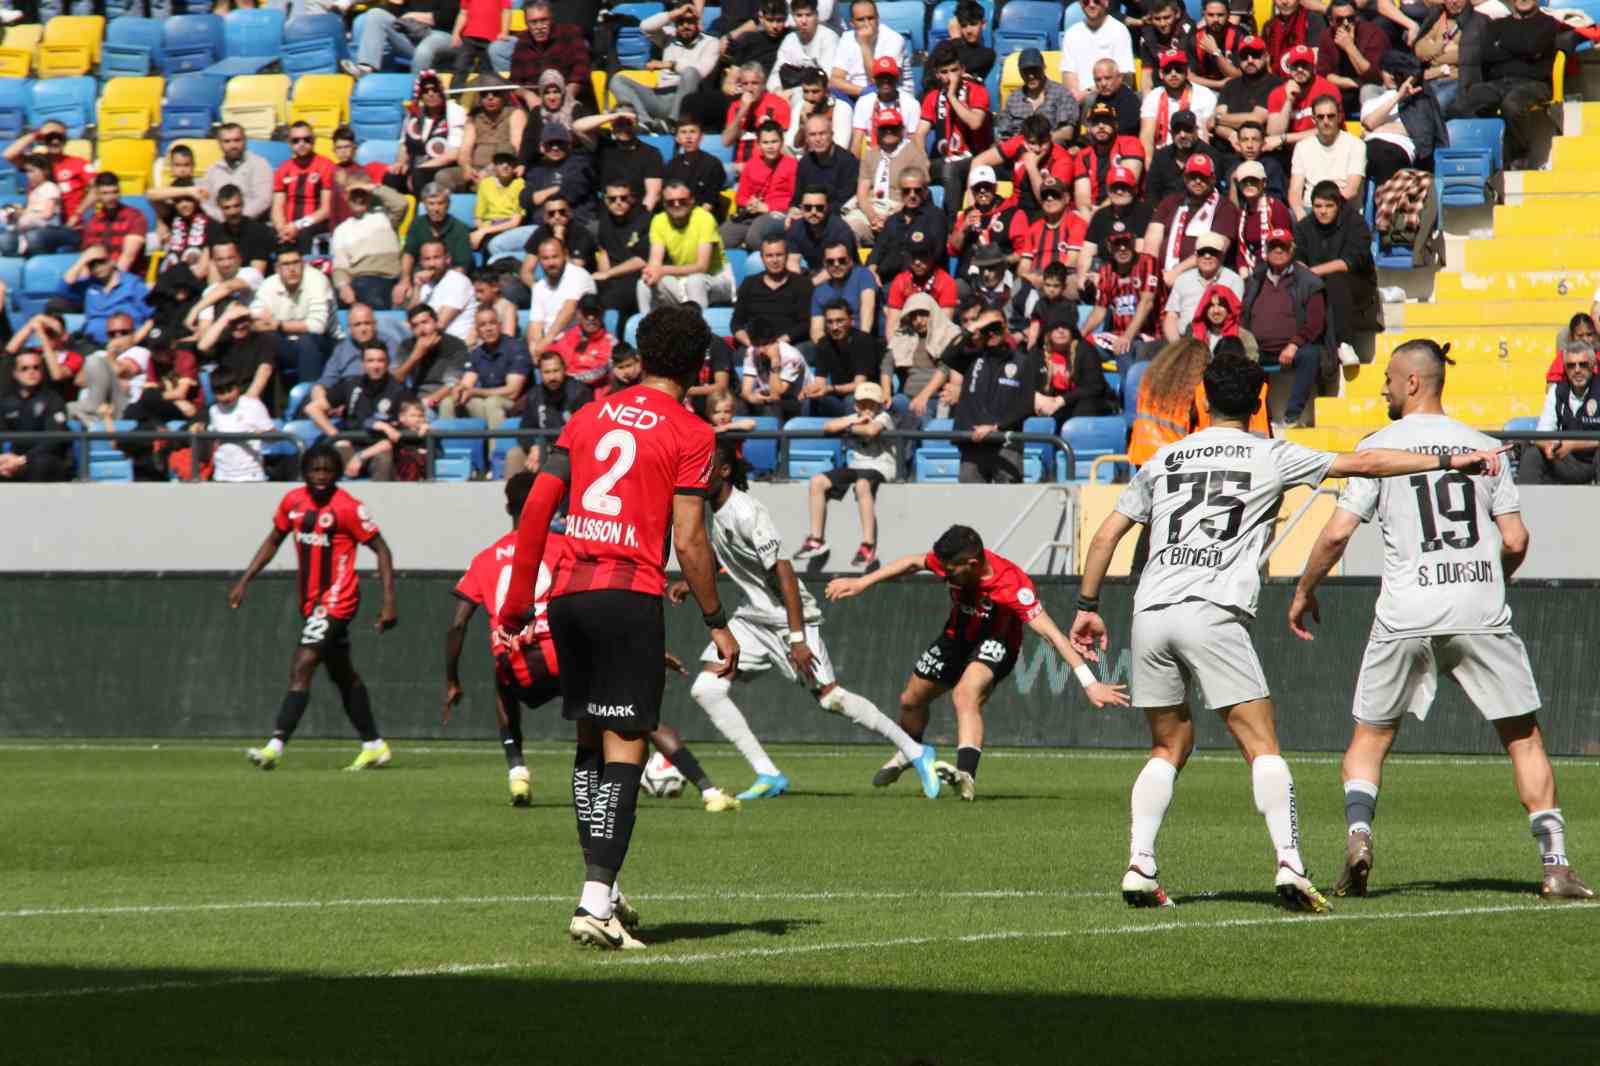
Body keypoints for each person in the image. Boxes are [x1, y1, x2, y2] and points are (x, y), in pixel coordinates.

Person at [1072, 351, 1511, 910]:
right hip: (1213, 610)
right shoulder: (1271, 454)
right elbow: (1366, 464)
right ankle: (1289, 865)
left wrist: (1088, 604)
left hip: (1151, 611)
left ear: (1202, 400)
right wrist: (1452, 459)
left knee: (1169, 744)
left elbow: (1108, 533)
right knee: (1262, 746)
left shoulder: (1163, 461)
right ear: (1260, 401)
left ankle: (1139, 864)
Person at [1288, 339, 1592, 903]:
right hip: (1478, 605)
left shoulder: (1377, 447)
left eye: (1386, 377)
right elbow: (1516, 539)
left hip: (1406, 610)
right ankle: (1556, 865)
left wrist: (1304, 590)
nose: (1380, 386)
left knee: (1371, 737)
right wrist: (1490, 575)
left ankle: (1359, 836)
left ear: (1411, 383)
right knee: (1522, 736)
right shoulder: (1485, 447)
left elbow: (1335, 533)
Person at [491, 305, 739, 951]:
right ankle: (594, 900)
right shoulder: (692, 433)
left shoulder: (589, 411)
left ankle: (606, 889)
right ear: (698, 365)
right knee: (627, 745)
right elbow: (688, 540)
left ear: (643, 352)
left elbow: (540, 505)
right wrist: (716, 623)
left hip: (569, 593)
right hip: (628, 594)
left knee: (588, 743)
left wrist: (519, 600)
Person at [449, 473, 741, 811]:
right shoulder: (565, 546)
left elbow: (457, 625)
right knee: (631, 714)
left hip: (519, 666)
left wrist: (452, 679)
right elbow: (594, 602)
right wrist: (641, 650)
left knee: (502, 684)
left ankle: (517, 770)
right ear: (550, 505)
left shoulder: (485, 557)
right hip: (565, 651)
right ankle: (708, 791)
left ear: (508, 506)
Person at [666, 436, 932, 802]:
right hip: (751, 618)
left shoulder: (747, 512)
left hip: (789, 619)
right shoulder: (716, 510)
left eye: (705, 467)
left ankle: (917, 752)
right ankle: (768, 774)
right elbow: (727, 555)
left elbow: (785, 573)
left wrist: (797, 638)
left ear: (725, 471)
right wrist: (690, 582)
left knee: (831, 699)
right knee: (706, 689)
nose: (697, 475)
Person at [827, 524, 1127, 801]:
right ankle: (912, 750)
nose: (944, 575)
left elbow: (1052, 635)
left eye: (951, 570)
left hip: (997, 643)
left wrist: (1090, 683)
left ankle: (966, 776)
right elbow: (912, 563)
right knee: (910, 701)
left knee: (965, 695)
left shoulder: (1011, 584)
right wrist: (862, 582)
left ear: (971, 564)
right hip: (955, 638)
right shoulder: (950, 563)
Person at [228, 444, 398, 772]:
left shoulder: (349, 507)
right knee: (342, 674)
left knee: (303, 663)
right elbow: (274, 539)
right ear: (304, 473)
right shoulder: (292, 502)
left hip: (338, 598)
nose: (321, 477)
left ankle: (274, 747)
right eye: (314, 471)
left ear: (337, 474)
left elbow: (382, 549)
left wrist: (389, 600)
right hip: (310, 601)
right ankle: (374, 745)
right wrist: (245, 579)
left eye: (328, 471)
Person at [1447, 0, 1574, 168]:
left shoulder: (1547, 23)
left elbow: (1533, 48)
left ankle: (1519, 154)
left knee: (1512, 105)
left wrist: (1503, 45)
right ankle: (1482, 155)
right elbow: (1487, 54)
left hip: (1534, 83)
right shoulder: (1497, 24)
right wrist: (1522, 49)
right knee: (1461, 104)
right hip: (1499, 82)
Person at [795, 380, 896, 566]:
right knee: (817, 481)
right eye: (863, 404)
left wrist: (850, 427)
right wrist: (854, 420)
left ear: (879, 404)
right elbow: (828, 426)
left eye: (872, 404)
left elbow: (872, 430)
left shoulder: (883, 417)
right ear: (856, 404)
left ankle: (867, 545)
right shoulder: (854, 416)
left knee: (862, 485)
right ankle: (816, 540)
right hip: (856, 466)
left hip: (880, 467)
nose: (867, 408)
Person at [1241, 226, 1329, 426]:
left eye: (1283, 247)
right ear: (1266, 251)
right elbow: (1242, 315)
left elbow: (1315, 323)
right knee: (1235, 356)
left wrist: (1294, 344)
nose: (1278, 251)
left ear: (1292, 250)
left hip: (1292, 348)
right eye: (1273, 247)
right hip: (1257, 348)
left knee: (1311, 354)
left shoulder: (1308, 281)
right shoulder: (1255, 280)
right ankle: (1258, 416)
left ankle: (1293, 414)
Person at [1294, 181, 1378, 362]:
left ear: (1338, 205)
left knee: (1335, 279)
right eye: (1317, 206)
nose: (1322, 211)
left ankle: (1344, 344)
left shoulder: (1355, 222)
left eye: (1328, 206)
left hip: (1357, 286)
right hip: (1316, 285)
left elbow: (1351, 262)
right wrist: (1305, 273)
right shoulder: (1304, 227)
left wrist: (1312, 272)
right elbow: (1297, 257)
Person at [306, 343, 414, 479]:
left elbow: (398, 435)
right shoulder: (350, 385)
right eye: (370, 361)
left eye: (380, 360)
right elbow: (312, 409)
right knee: (325, 456)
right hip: (349, 445)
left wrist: (360, 457)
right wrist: (336, 435)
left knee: (384, 458)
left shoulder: (399, 391)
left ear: (387, 363)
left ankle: (380, 499)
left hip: (380, 447)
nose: (375, 366)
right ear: (363, 364)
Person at [919, 41, 993, 225]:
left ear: (962, 69)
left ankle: (953, 224)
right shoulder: (933, 97)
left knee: (950, 169)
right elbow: (919, 133)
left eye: (953, 70)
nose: (950, 77)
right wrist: (922, 159)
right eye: (944, 72)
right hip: (946, 158)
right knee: (911, 170)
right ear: (937, 74)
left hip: (975, 157)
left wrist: (952, 97)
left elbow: (975, 122)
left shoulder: (977, 91)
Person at [637, 180, 736, 315]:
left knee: (695, 280)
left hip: (717, 279)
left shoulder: (704, 218)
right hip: (682, 280)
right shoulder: (658, 220)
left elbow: (702, 267)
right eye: (671, 202)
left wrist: (662, 269)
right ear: (664, 204)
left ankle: (699, 332)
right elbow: (655, 261)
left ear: (691, 201)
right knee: (644, 284)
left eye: (682, 200)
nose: (676, 204)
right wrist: (651, 273)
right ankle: (648, 331)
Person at [1081, 222, 1161, 377]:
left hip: (1147, 336)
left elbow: (1147, 303)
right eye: (1117, 244)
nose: (1123, 248)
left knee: (1125, 350)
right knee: (1081, 348)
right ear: (1110, 247)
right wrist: (1077, 337)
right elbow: (1099, 311)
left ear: (1133, 243)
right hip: (1117, 336)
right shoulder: (1106, 270)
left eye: (1126, 243)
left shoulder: (1148, 263)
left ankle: (1130, 398)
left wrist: (1127, 337)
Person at [1519, 340, 1600, 485]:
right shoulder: (1557, 391)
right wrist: (1548, 446)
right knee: (1533, 454)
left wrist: (1573, 444)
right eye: (1571, 365)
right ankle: (1524, 506)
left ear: (1593, 366)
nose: (1577, 370)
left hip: (1594, 460)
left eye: (1583, 364)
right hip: (1566, 460)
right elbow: (1542, 433)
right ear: (1565, 369)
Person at [844, 109, 928, 247]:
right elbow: (862, 194)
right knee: (847, 229)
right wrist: (874, 218)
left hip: (900, 208)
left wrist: (890, 218)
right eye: (884, 128)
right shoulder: (870, 155)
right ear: (877, 131)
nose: (888, 131)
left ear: (901, 129)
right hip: (871, 209)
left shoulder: (915, 155)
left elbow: (919, 193)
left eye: (893, 127)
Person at [721, 121, 797, 251]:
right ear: (759, 144)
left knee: (754, 237)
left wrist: (768, 207)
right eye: (765, 142)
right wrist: (749, 203)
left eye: (774, 141)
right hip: (752, 213)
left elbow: (796, 199)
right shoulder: (751, 164)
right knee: (721, 238)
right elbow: (741, 197)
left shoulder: (792, 165)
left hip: (779, 213)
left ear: (782, 142)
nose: (770, 146)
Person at [1288, 94, 1367, 217]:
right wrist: (1300, 214)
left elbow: (1351, 189)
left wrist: (1325, 210)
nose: (1326, 121)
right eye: (1320, 117)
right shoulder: (1302, 146)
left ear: (1339, 117)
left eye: (1330, 116)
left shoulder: (1356, 144)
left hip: (1342, 208)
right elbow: (1295, 191)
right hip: (1311, 209)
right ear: (1313, 120)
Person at [454, 305, 532, 429]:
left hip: (518, 404)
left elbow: (512, 392)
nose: (488, 329)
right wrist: (458, 391)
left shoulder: (516, 348)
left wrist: (475, 391)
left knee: (492, 403)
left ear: (500, 325)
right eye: (483, 325)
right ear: (477, 331)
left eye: (492, 323)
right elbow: (467, 384)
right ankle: (448, 447)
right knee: (450, 402)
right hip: (488, 400)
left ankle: (496, 448)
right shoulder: (477, 353)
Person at [0, 353, 72, 482]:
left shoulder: (54, 400)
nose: (31, 372)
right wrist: (3, 458)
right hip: (15, 461)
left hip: (48, 461)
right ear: (15, 374)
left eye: (36, 367)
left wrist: (23, 459)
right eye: (24, 368)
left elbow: (55, 438)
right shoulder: (7, 403)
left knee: (41, 463)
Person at [393, 71, 467, 195]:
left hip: (442, 165)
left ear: (441, 91)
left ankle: (421, 210)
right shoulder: (413, 114)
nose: (431, 94)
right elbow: (404, 145)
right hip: (415, 164)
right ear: (421, 95)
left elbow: (453, 154)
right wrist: (401, 162)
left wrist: (420, 168)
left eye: (434, 90)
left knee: (419, 176)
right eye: (426, 91)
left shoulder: (454, 111)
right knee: (392, 177)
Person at [1162, 231, 1243, 341]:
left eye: (1213, 252)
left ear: (1222, 255)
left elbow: (1233, 318)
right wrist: (1177, 347)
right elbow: (1171, 317)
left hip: (1218, 342)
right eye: (1202, 252)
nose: (1207, 256)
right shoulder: (1183, 279)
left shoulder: (1233, 280)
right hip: (1183, 341)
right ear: (1196, 255)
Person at [1141, 50, 1218, 160]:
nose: (1173, 74)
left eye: (1178, 69)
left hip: (1194, 154)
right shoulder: (1153, 97)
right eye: (1168, 70)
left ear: (1186, 71)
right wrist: (1149, 163)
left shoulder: (1204, 95)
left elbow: (1205, 135)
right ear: (1161, 74)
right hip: (1163, 156)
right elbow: (1146, 136)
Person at [271, 122, 336, 253]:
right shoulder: (284, 168)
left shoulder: (326, 166)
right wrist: (282, 229)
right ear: (289, 143)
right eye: (296, 140)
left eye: (307, 139)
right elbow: (277, 206)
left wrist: (297, 226)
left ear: (314, 141)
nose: (301, 144)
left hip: (314, 225)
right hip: (288, 226)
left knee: (305, 234)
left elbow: (326, 210)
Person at [205, 366, 275, 484]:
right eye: (220, 392)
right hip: (222, 476)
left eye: (230, 390)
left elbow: (273, 435)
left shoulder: (253, 405)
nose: (226, 396)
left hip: (250, 476)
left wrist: (263, 435)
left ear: (237, 386)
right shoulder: (214, 410)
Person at [830, 0, 912, 100]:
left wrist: (865, 46)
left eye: (871, 18)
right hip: (856, 94)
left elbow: (880, 83)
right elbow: (834, 80)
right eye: (861, 20)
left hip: (893, 97)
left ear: (878, 18)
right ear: (852, 23)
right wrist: (863, 92)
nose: (867, 24)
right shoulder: (847, 38)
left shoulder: (894, 39)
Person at [1213, 36, 1280, 155]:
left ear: (1265, 56)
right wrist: (1231, 135)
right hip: (1227, 150)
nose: (1249, 60)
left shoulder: (1275, 84)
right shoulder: (1230, 85)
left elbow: (1256, 120)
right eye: (1244, 56)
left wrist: (1218, 119)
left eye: (1255, 55)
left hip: (1261, 153)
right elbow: (1215, 126)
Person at [1267, 45, 1342, 152]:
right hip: (1289, 151)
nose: (1300, 69)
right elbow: (1273, 135)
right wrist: (1289, 101)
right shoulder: (1277, 93)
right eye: (1295, 65)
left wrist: (1285, 138)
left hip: (1322, 147)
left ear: (1313, 66)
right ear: (1289, 67)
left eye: (1305, 65)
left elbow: (1329, 128)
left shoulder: (1328, 89)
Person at [998, 47, 1080, 144]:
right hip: (1018, 150)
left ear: (1043, 67)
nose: (1031, 75)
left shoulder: (1061, 93)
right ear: (1020, 72)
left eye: (1034, 70)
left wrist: (1036, 144)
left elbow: (1066, 133)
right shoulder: (1013, 98)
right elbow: (1003, 136)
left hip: (1052, 150)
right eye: (1026, 71)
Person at [0, 154, 76, 256]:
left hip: (48, 226)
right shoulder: (33, 190)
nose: (28, 175)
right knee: (5, 238)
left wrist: (24, 214)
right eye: (27, 171)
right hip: (30, 226)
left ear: (45, 171)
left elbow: (47, 214)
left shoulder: (50, 187)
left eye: (32, 171)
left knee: (32, 234)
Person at [1061, 0, 1137, 100]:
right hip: (1079, 103)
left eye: (1096, 1)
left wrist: (1087, 93)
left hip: (1112, 98)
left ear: (1106, 2)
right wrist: (1076, 98)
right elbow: (1068, 75)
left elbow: (1125, 78)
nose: (1091, 4)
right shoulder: (1072, 33)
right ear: (1080, 3)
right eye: (1086, 1)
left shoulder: (1119, 31)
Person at [849, 56, 920, 158]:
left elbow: (914, 141)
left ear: (897, 78)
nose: (885, 81)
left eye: (889, 76)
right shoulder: (863, 102)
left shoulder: (911, 104)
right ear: (874, 79)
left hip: (901, 158)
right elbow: (857, 141)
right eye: (881, 77)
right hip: (871, 159)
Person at [78, 173, 148, 276]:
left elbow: (128, 257)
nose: (111, 197)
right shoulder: (94, 219)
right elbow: (86, 254)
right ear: (97, 194)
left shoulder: (135, 217)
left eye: (115, 192)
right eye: (105, 193)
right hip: (97, 275)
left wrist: (113, 283)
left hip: (125, 277)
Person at [200, 124, 274, 222]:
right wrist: (224, 220)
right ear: (219, 144)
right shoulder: (212, 170)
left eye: (237, 140)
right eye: (227, 141)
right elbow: (206, 203)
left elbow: (263, 200)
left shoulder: (259, 164)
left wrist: (237, 219)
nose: (233, 146)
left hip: (254, 225)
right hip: (222, 226)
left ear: (245, 141)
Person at [1233, 159, 1296, 272]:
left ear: (1264, 182)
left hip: (1275, 268)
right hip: (1250, 268)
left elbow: (1284, 246)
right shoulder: (1241, 212)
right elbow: (1240, 251)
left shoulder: (1276, 208)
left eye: (1253, 181)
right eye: (1244, 181)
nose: (1249, 184)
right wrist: (1243, 272)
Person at [786, 69, 854, 155]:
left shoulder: (842, 108)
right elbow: (791, 146)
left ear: (826, 91)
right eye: (806, 91)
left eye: (815, 92)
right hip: (805, 161)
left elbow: (841, 146)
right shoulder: (800, 107)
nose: (810, 97)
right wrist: (803, 125)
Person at [1261, 0, 1327, 72]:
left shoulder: (1312, 20)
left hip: (1304, 77)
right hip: (1277, 80)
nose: (1284, 2)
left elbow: (1317, 60)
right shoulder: (1269, 26)